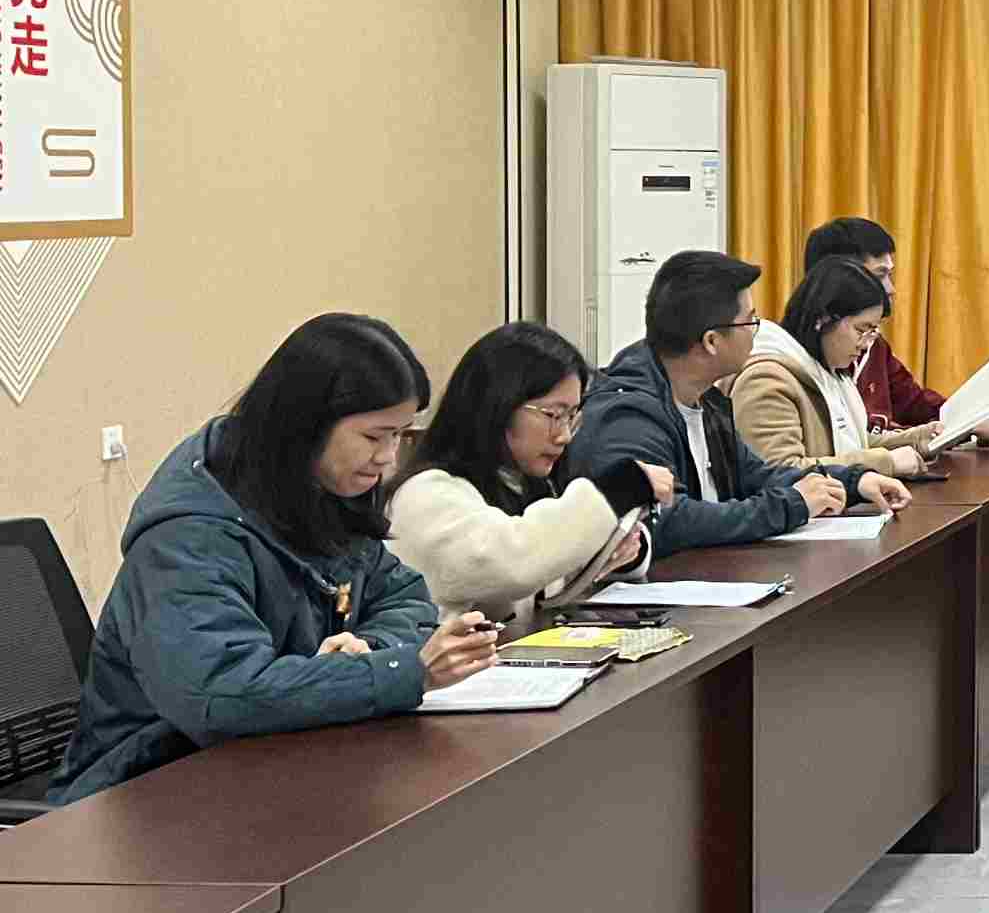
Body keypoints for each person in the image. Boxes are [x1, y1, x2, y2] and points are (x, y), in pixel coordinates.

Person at [52, 316, 501, 803]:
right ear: (306, 425)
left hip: (270, 763)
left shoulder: (315, 494)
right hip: (143, 789)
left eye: (399, 436)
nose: (389, 458)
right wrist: (403, 670)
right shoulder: (186, 540)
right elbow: (221, 696)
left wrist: (365, 652)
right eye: (375, 437)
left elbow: (402, 596)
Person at [562, 250, 910, 557]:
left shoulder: (706, 401)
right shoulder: (629, 414)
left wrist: (852, 482)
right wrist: (792, 505)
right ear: (712, 341)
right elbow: (666, 520)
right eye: (750, 321)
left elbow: (758, 475)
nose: (758, 331)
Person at [388, 322, 674, 620]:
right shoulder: (426, 494)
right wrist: (619, 489)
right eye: (553, 415)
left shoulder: (520, 483)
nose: (564, 435)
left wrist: (621, 552)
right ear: (497, 406)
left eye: (572, 417)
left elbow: (548, 572)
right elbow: (512, 563)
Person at [802, 216, 989, 443]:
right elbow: (856, 442)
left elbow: (916, 405)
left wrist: (973, 418)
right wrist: (962, 429)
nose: (891, 289)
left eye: (890, 275)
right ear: (840, 278)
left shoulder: (875, 346)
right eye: (880, 275)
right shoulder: (803, 361)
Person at [731, 257, 940, 476]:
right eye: (861, 330)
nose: (866, 344)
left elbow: (854, 442)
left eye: (872, 332)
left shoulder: (829, 371)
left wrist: (917, 440)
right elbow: (780, 471)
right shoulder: (766, 380)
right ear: (823, 318)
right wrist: (886, 462)